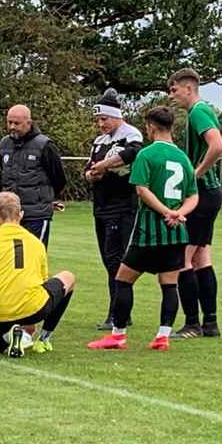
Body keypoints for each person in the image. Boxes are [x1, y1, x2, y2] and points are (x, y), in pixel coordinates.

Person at [88, 106, 199, 351]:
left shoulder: (146, 155)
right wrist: (178, 213)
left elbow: (141, 189)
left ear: (150, 127)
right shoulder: (183, 158)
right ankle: (163, 335)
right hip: (176, 230)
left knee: (123, 279)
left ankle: (117, 335)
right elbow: (193, 196)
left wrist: (164, 212)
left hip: (150, 230)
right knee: (169, 283)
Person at [0, 192, 75, 356]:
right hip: (34, 308)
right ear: (21, 214)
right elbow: (43, 281)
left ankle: (13, 336)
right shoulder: (36, 242)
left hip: (1, 311)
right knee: (69, 277)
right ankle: (43, 338)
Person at [167, 68, 222, 338]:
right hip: (210, 195)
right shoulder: (202, 111)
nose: (172, 96)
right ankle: (210, 324)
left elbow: (218, 146)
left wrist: (194, 175)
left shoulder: (198, 111)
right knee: (202, 258)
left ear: (188, 88)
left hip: (202, 195)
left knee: (183, 258)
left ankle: (192, 324)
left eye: (174, 90)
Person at [85, 88, 144, 329]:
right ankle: (119, 310)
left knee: (116, 260)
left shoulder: (131, 134)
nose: (101, 124)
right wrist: (92, 174)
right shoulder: (99, 141)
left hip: (122, 206)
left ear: (116, 116)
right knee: (107, 260)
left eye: (104, 119)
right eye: (98, 120)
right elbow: (89, 169)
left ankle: (117, 313)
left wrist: (104, 166)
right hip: (101, 206)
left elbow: (132, 155)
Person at [0, 104, 66, 249]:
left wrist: (45, 200)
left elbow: (59, 178)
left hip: (36, 214)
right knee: (13, 258)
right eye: (9, 122)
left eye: (16, 123)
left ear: (29, 123)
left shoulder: (45, 145)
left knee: (34, 256)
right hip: (11, 214)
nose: (12, 127)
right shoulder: (4, 144)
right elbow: (4, 174)